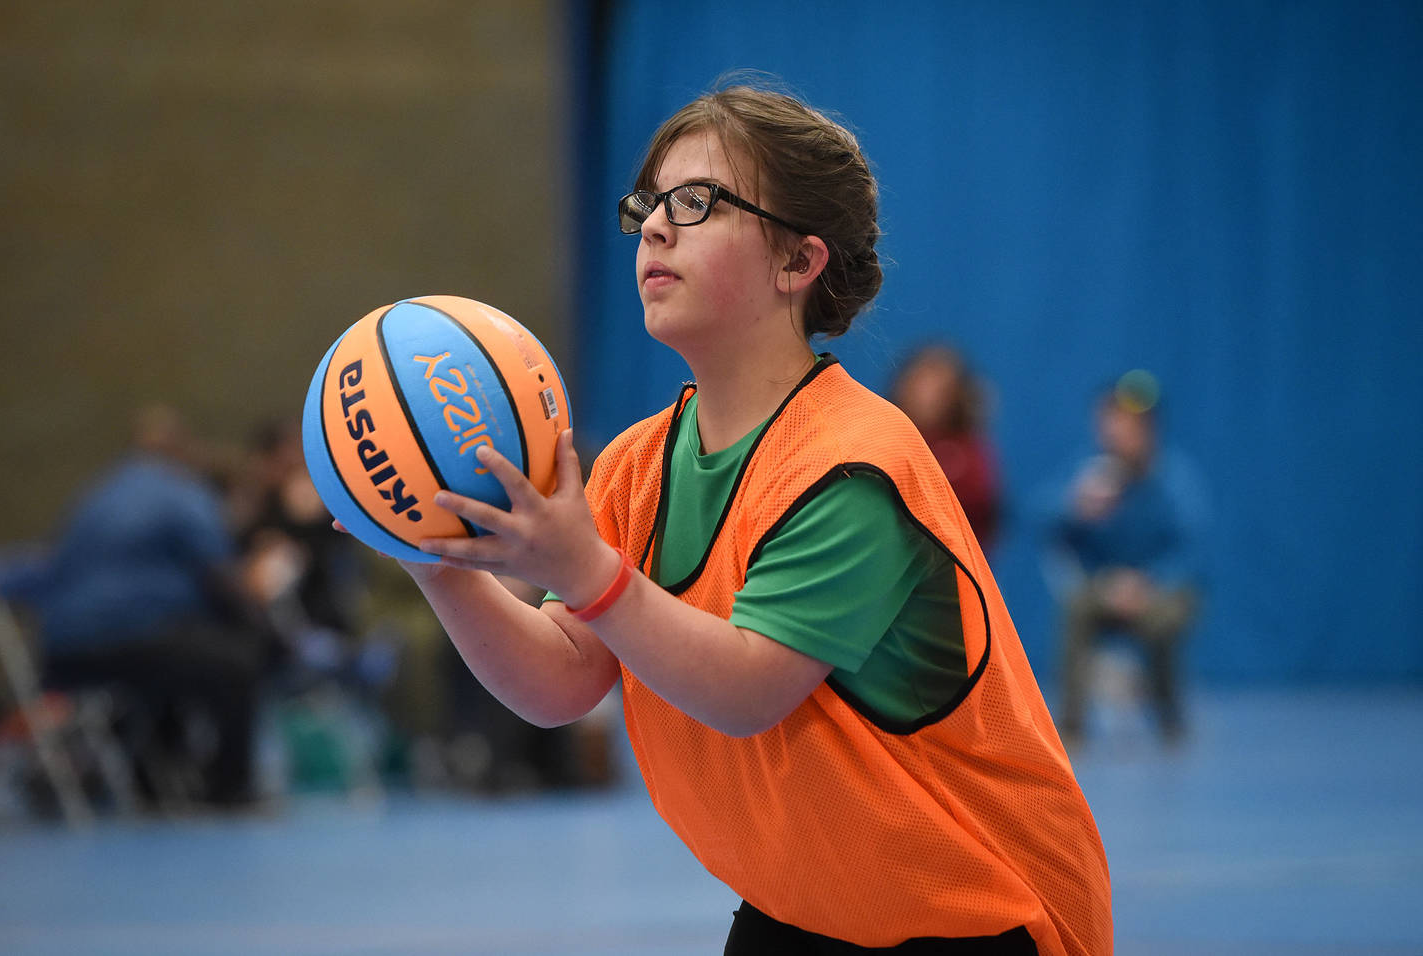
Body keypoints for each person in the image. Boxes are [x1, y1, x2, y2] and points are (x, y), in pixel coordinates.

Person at [343, 84, 1111, 953]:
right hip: (804, 904)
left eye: (697, 203)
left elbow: (746, 692)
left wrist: (587, 571)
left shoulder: (854, 464)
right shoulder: (638, 461)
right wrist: (432, 563)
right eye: (649, 205)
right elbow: (561, 681)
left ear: (799, 262)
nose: (655, 229)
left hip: (977, 913)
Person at [30, 405, 266, 808]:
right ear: (183, 453)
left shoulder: (95, 493)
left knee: (177, 665)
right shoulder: (180, 491)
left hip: (59, 653)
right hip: (132, 639)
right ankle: (228, 792)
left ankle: (148, 784)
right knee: (237, 665)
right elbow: (223, 579)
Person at [1043, 370, 1208, 748]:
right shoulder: (1089, 473)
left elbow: (1190, 552)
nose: (1118, 430)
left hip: (1158, 590)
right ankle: (1071, 727)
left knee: (1162, 620)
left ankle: (1169, 715)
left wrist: (1148, 582)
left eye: (1129, 422)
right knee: (1076, 608)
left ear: (1149, 428)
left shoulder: (1174, 480)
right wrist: (1076, 506)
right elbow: (1040, 518)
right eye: (1110, 419)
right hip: (1105, 587)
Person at [890, 344, 1003, 549]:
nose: (927, 394)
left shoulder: (969, 456)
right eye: (921, 382)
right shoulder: (883, 439)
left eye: (939, 387)